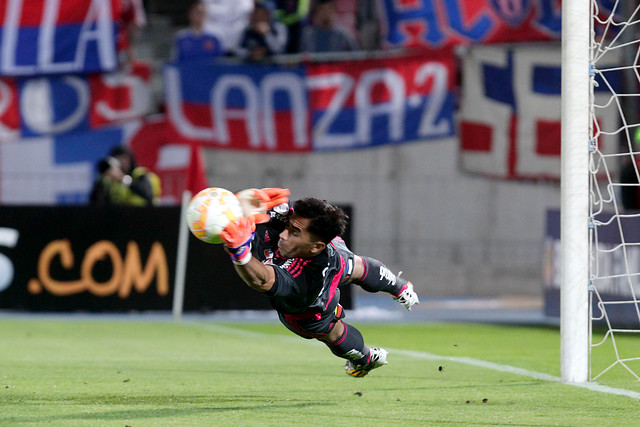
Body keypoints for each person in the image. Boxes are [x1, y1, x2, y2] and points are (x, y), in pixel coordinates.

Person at [218, 188, 419, 377]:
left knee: (334, 328)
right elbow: (283, 209)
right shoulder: (294, 225)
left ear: (316, 247)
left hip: (313, 307)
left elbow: (262, 280)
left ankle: (369, 349)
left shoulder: (302, 280)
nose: (283, 234)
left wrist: (240, 253)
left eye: (294, 233)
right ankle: (371, 350)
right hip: (325, 269)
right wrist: (242, 203)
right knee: (352, 268)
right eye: (288, 226)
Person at [89, 145, 161, 207]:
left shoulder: (141, 174)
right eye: (118, 159)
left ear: (131, 159)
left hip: (143, 216)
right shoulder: (109, 180)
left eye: (124, 158)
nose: (122, 162)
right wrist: (103, 177)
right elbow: (95, 201)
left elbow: (147, 194)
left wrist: (122, 178)